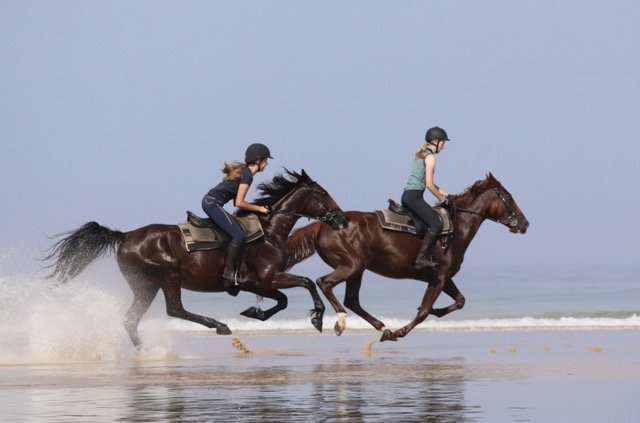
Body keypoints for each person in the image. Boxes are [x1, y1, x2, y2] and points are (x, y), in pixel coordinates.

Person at [202, 143, 272, 292]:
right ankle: (228, 273)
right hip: (212, 204)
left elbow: (236, 202)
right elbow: (239, 203)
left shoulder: (246, 173)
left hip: (211, 202)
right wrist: (259, 208)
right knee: (239, 234)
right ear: (258, 161)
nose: (267, 164)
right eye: (266, 160)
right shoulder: (247, 175)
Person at [401, 126, 453, 269]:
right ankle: (421, 259)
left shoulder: (421, 154)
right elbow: (429, 185)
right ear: (435, 141)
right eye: (443, 143)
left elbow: (429, 183)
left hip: (409, 196)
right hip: (414, 197)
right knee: (436, 224)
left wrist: (447, 194)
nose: (443, 147)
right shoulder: (431, 157)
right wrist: (442, 200)